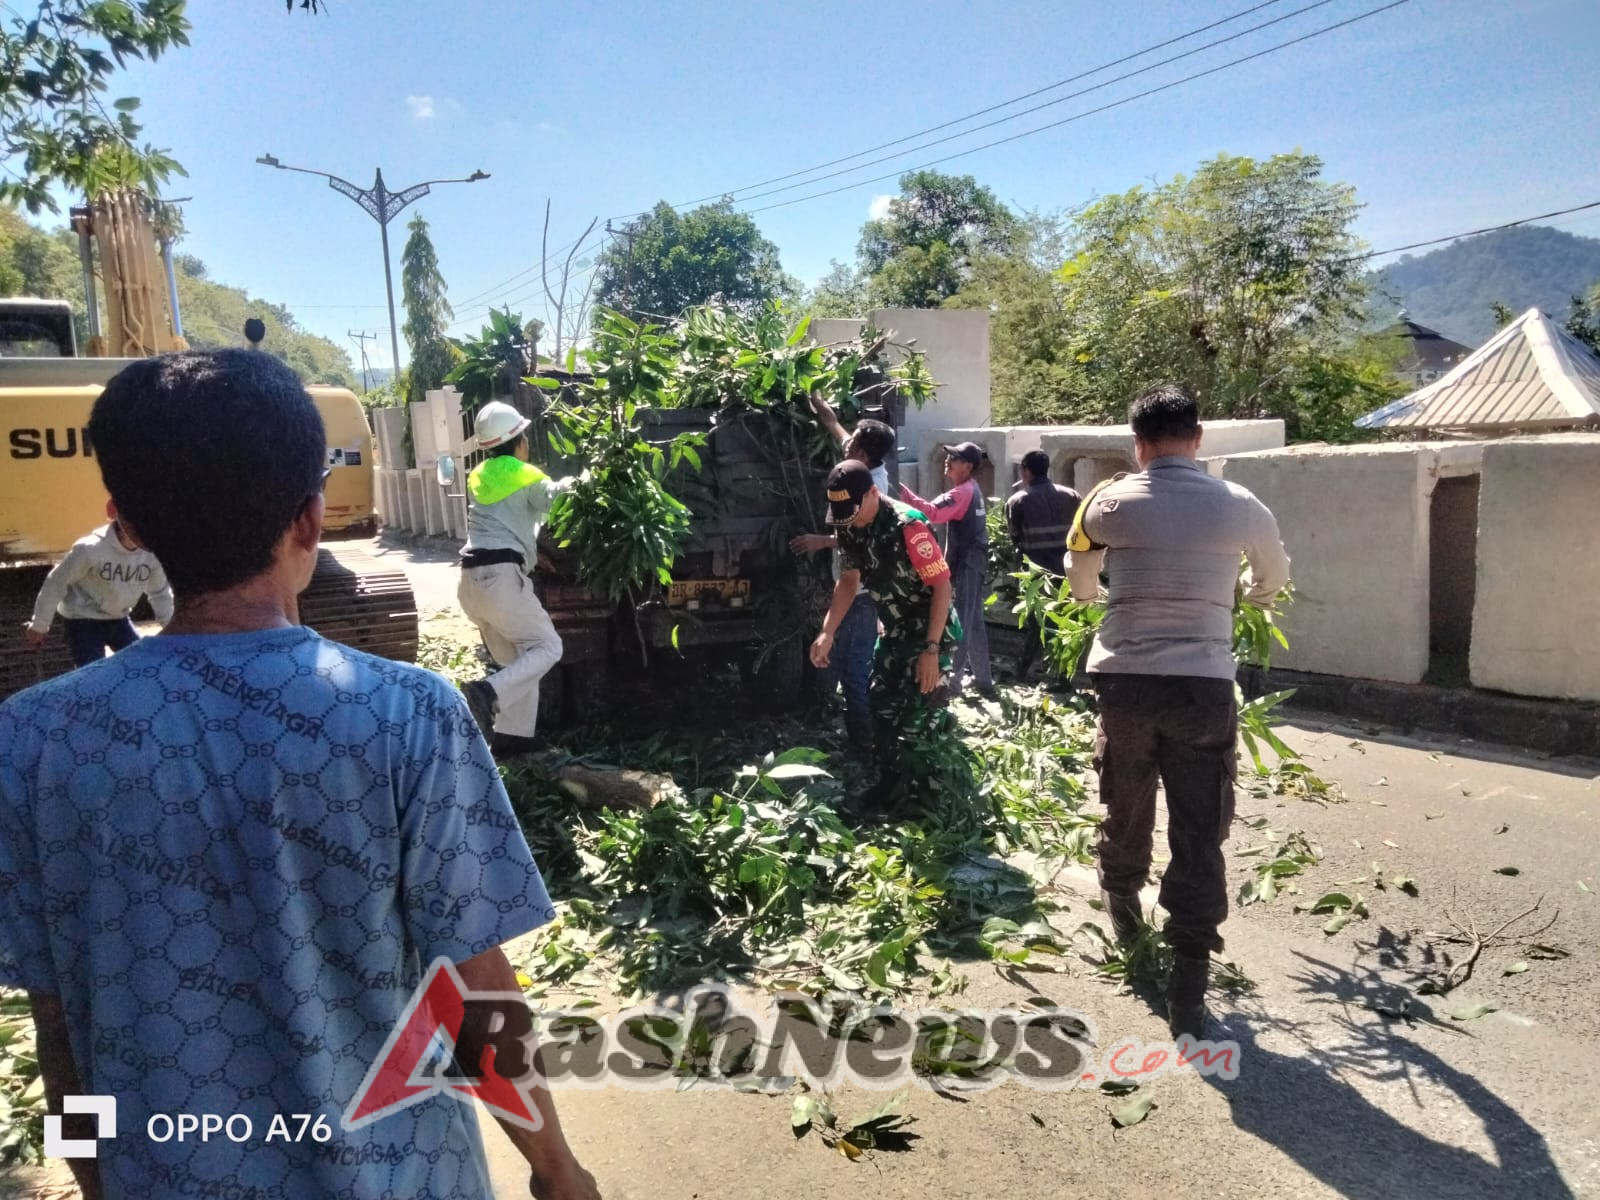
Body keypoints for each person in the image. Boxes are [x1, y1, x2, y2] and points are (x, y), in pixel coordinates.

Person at [0, 351, 598, 1200]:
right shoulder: (409, 714)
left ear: (124, 524)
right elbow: (473, 987)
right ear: (311, 518)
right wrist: (556, 1167)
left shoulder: (33, 739)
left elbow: (58, 1031)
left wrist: (98, 1180)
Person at [1066, 382, 1290, 1042]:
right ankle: (1189, 972)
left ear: (1138, 447)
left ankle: (1124, 906)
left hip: (1126, 684)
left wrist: (1098, 596)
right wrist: (1241, 596)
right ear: (1197, 439)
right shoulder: (1242, 506)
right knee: (1200, 823)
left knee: (1126, 794)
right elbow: (1271, 579)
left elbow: (1080, 578)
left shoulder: (1105, 503)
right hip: (1202, 684)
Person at [810, 461, 959, 812]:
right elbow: (848, 582)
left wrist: (932, 650)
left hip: (929, 631)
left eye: (854, 510)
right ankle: (890, 788)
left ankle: (928, 801)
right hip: (893, 629)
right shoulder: (849, 524)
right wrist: (827, 632)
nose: (849, 520)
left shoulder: (910, 527)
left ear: (874, 492)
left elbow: (942, 587)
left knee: (919, 718)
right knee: (881, 708)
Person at [456, 400, 573, 755]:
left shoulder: (481, 477)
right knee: (548, 647)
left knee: (520, 664)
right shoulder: (525, 476)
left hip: (471, 582)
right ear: (519, 441)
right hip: (501, 579)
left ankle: (512, 741)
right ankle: (484, 694)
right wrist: (581, 480)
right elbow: (556, 499)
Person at [789, 394, 897, 759]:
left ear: (864, 455)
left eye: (854, 440)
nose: (846, 439)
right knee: (841, 663)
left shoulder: (873, 487)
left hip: (862, 593)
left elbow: (862, 541)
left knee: (854, 670)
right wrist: (824, 411)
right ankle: (854, 737)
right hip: (852, 587)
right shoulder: (858, 467)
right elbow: (840, 434)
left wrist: (821, 540)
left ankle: (863, 749)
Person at [898, 442, 993, 697]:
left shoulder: (962, 492)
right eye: (949, 456)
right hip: (973, 560)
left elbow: (930, 513)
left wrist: (900, 490)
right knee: (973, 620)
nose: (947, 461)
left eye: (955, 458)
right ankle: (984, 681)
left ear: (968, 466)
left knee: (961, 620)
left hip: (968, 562)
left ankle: (953, 683)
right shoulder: (970, 489)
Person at [23, 509, 174, 666]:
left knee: (142, 665)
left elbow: (160, 593)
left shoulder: (151, 555)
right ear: (122, 522)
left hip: (118, 619)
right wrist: (40, 625)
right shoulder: (90, 549)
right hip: (82, 620)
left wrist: (177, 634)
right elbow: (56, 583)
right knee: (91, 671)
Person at [1004, 449, 1080, 677]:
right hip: (1066, 573)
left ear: (1026, 471)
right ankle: (1060, 675)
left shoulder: (1017, 501)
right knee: (1065, 623)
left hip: (1036, 577)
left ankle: (1024, 671)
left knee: (1038, 624)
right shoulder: (1071, 496)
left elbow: (1014, 537)